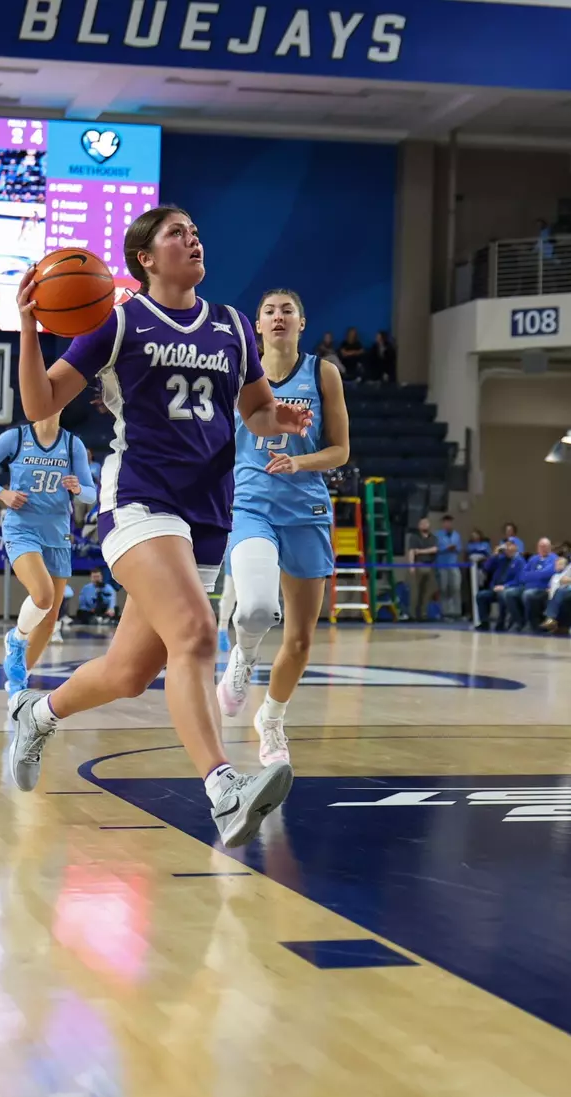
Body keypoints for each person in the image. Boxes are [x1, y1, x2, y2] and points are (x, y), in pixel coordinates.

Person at [6, 205, 310, 848]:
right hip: (140, 500)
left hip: (208, 512)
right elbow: (40, 404)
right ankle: (224, 790)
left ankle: (36, 713)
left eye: (196, 230)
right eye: (178, 233)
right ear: (144, 258)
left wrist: (275, 416)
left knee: (128, 672)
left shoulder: (231, 325)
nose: (193, 237)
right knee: (198, 634)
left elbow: (252, 408)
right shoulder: (120, 320)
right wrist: (31, 329)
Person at [216, 288, 351, 767]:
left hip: (307, 512)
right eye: (269, 311)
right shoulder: (235, 375)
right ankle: (243, 658)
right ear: (257, 325)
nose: (278, 317)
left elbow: (340, 451)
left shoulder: (323, 373)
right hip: (250, 506)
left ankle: (270, 720)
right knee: (254, 608)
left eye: (287, 310)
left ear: (301, 322)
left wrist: (300, 462)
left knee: (299, 639)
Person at [0, 413, 97, 694]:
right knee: (43, 595)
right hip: (22, 528)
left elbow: (91, 494)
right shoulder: (14, 438)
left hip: (58, 534)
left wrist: (78, 488)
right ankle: (17, 638)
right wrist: (1, 493)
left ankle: (17, 681)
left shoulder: (72, 444)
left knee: (50, 619)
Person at [434, 514, 464, 621]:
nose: (448, 524)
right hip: (442, 565)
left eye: (450, 522)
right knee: (444, 588)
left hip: (453, 564)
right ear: (443, 523)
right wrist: (446, 548)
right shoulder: (437, 535)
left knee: (455, 587)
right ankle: (445, 613)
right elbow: (435, 549)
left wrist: (454, 548)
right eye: (446, 522)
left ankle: (456, 612)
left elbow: (459, 548)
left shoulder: (456, 535)